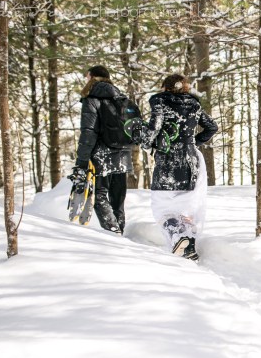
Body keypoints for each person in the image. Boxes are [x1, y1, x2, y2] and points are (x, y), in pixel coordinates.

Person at [136, 73, 217, 261]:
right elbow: (212, 127)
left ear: (165, 87)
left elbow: (154, 128)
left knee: (162, 208)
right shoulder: (193, 104)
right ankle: (188, 244)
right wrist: (191, 143)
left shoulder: (159, 101)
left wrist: (144, 140)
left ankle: (179, 238)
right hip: (191, 161)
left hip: (168, 160)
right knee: (185, 207)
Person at [72, 65, 134, 235]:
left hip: (102, 153)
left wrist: (82, 160)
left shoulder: (91, 99)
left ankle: (113, 232)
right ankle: (119, 230)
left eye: (87, 76)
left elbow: (88, 132)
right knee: (118, 198)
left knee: (99, 195)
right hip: (124, 153)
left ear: (92, 77)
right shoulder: (121, 98)